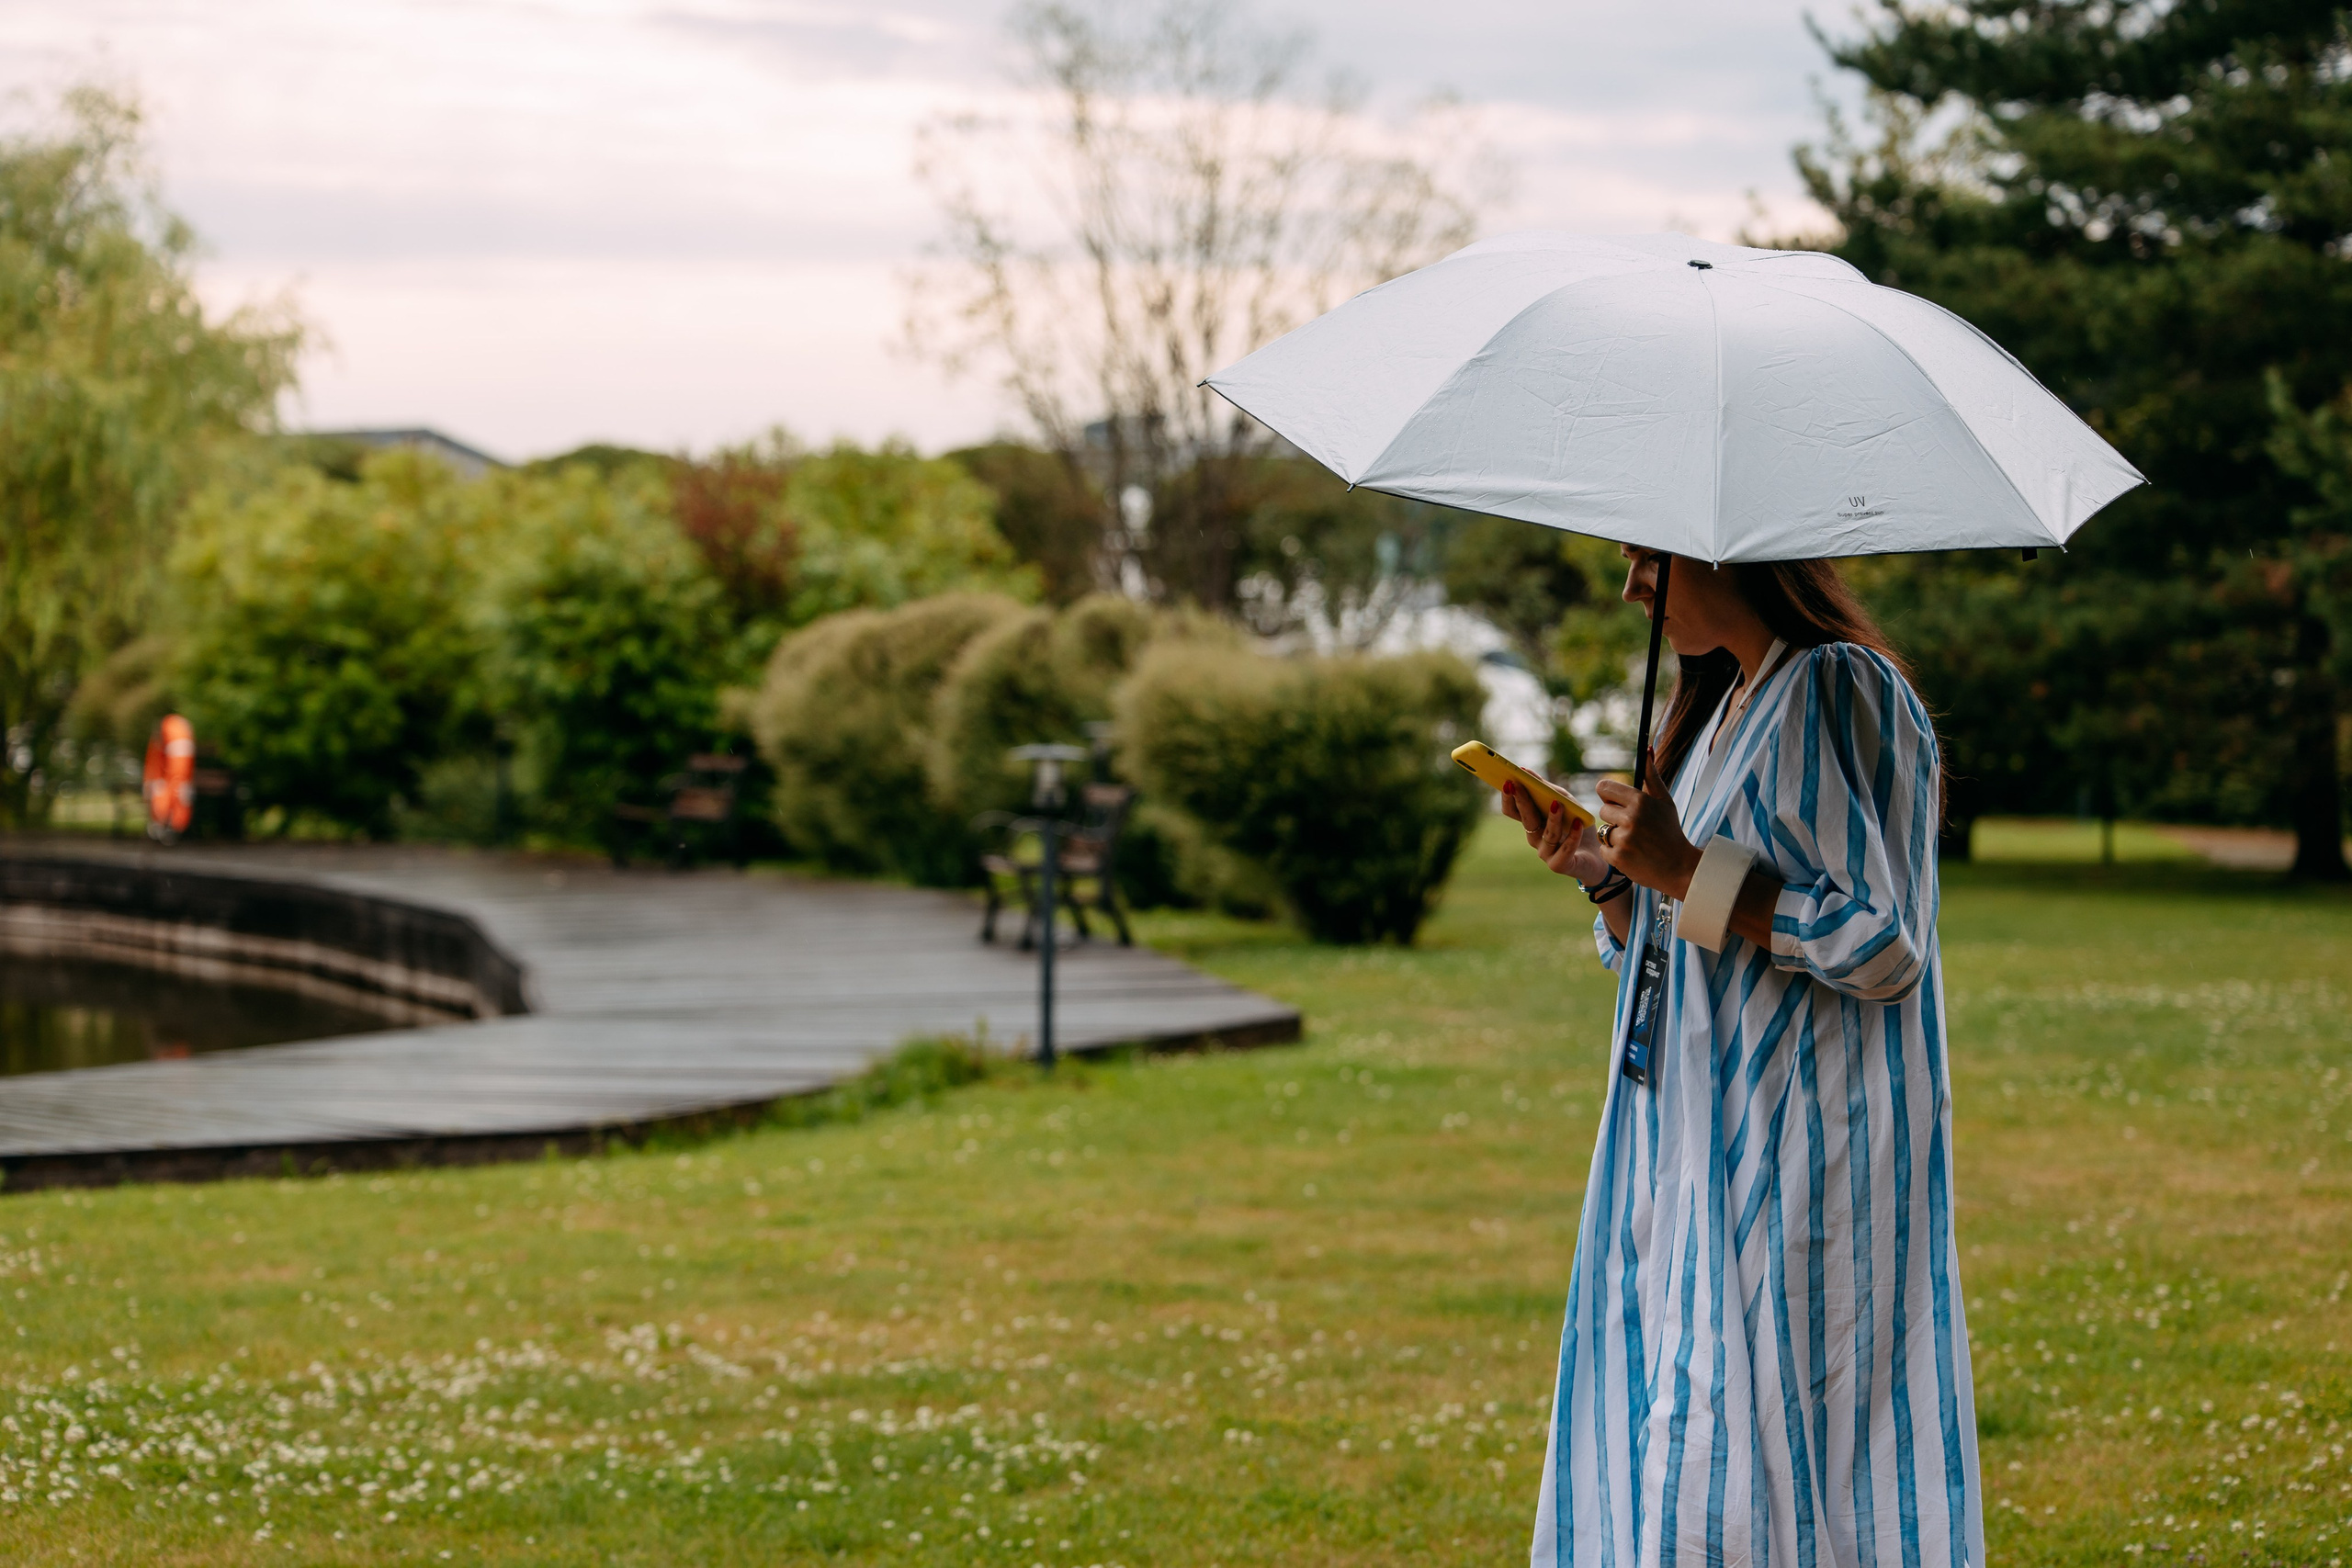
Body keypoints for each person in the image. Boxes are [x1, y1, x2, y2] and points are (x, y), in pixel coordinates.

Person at [1501, 547, 1980, 1568]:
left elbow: (1885, 942)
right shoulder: (1720, 710)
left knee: (1803, 1454)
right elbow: (1685, 942)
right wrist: (1607, 877)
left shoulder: (1841, 686)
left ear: (1726, 550)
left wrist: (1683, 867)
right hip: (1693, 1144)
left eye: (1647, 560)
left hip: (1806, 1153)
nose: (1631, 589)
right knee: (1699, 1440)